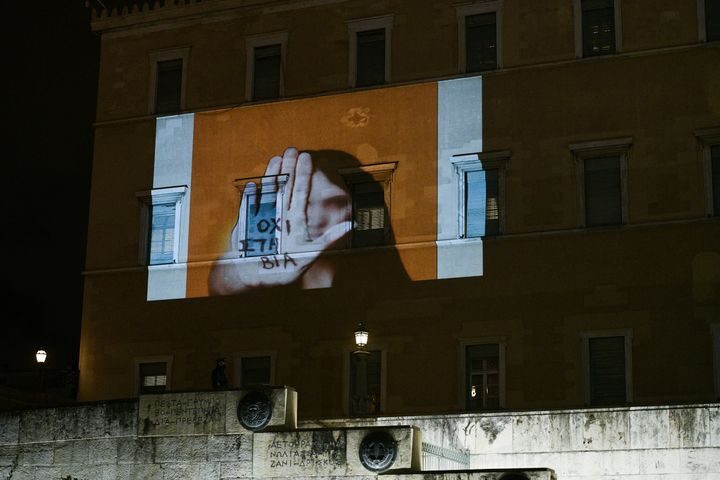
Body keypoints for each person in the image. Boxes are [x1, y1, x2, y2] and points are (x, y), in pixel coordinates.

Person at [208, 148, 409, 295]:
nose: (316, 216)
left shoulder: (384, 285)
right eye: (305, 202)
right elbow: (222, 278)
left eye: (334, 202)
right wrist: (241, 276)